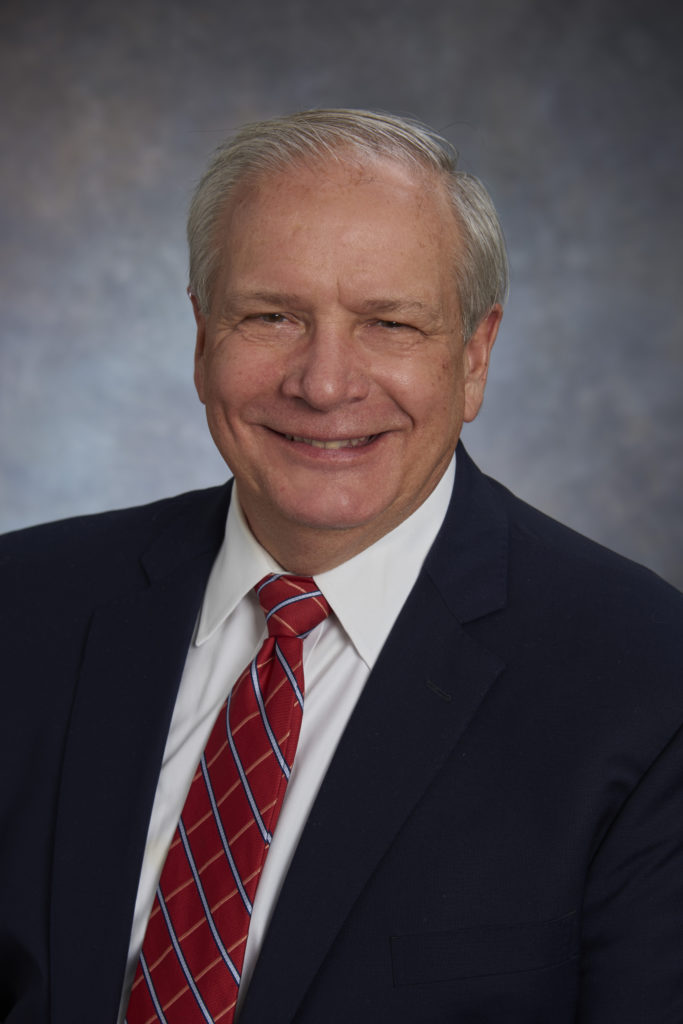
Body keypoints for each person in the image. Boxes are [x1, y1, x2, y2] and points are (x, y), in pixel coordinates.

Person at [1, 109, 682, 1024]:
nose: (324, 383)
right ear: (203, 339)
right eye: (271, 315)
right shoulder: (24, 608)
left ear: (474, 357)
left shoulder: (645, 682)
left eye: (389, 324)